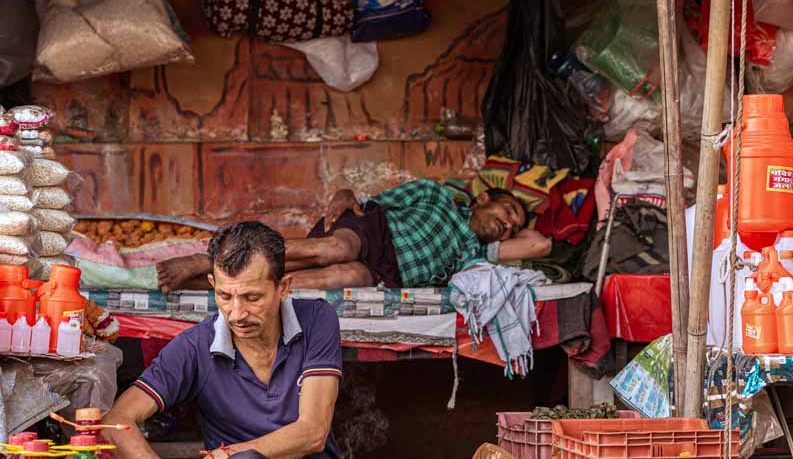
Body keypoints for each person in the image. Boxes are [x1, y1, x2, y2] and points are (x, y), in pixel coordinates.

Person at [104, 221, 491, 459]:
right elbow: (115, 424)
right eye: (225, 296)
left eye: (252, 297)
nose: (236, 313)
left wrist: (222, 456)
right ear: (214, 287)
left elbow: (311, 433)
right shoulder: (194, 345)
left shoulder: (316, 320)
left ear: (283, 288)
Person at [156, 179, 552, 292]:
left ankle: (216, 285)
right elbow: (366, 203)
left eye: (514, 224)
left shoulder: (473, 252)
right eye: (507, 212)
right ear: (482, 198)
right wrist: (345, 196)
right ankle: (204, 261)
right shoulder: (435, 195)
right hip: (371, 232)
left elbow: (540, 244)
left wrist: (516, 229)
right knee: (333, 249)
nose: (509, 224)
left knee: (339, 278)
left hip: (384, 273)